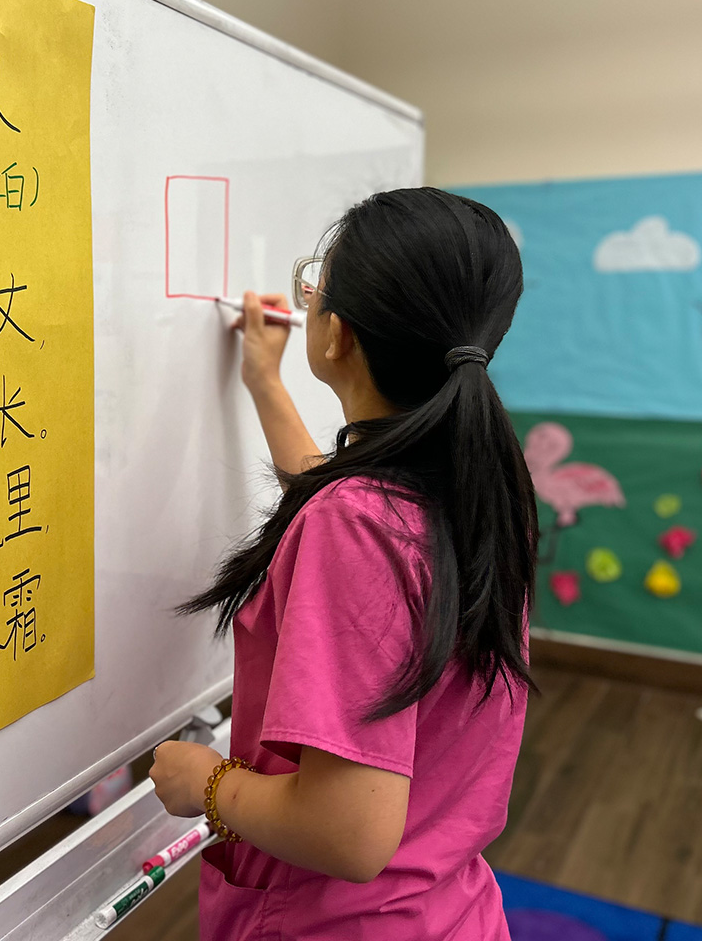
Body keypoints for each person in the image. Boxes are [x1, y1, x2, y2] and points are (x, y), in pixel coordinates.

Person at [149, 187, 537, 940]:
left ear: (337, 336)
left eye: (314, 284)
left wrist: (208, 782)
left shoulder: (358, 525)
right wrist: (265, 382)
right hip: (445, 912)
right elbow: (346, 523)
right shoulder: (476, 484)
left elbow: (347, 834)